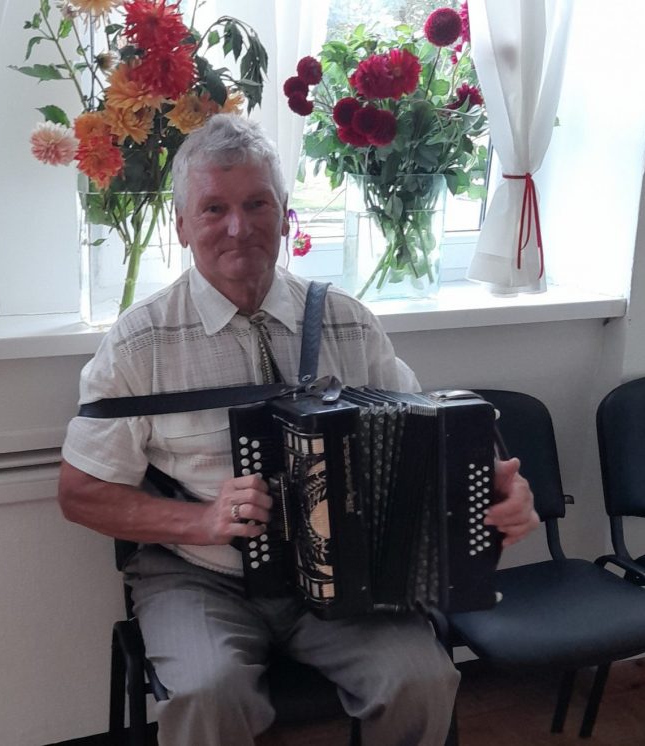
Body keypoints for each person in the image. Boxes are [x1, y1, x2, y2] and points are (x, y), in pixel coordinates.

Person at [59, 114, 539, 746]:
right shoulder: (139, 341)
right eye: (214, 208)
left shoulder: (348, 322)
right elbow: (80, 493)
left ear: (285, 215)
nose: (239, 227)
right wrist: (203, 521)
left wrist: (493, 490)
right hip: (201, 574)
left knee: (421, 679)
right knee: (209, 693)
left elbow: (427, 437)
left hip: (347, 580)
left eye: (257, 204)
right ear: (181, 225)